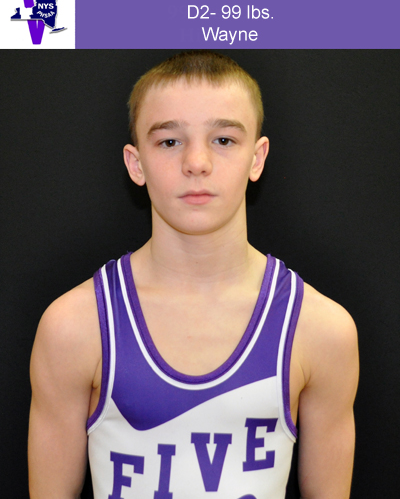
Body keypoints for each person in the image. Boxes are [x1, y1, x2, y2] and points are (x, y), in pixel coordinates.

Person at [28, 51, 359, 499]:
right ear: (136, 164)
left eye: (224, 139)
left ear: (257, 158)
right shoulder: (73, 326)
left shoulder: (320, 330)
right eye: (169, 142)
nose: (197, 162)